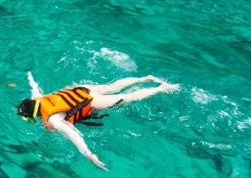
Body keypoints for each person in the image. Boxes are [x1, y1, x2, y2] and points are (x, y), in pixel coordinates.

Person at [16, 72, 179, 171]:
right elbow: (34, 87)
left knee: (127, 98)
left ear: (34, 115)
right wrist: (30, 77)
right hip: (81, 89)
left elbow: (73, 135)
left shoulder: (53, 118)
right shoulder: (38, 99)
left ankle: (161, 88)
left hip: (93, 101)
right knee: (112, 87)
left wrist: (88, 153)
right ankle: (144, 78)